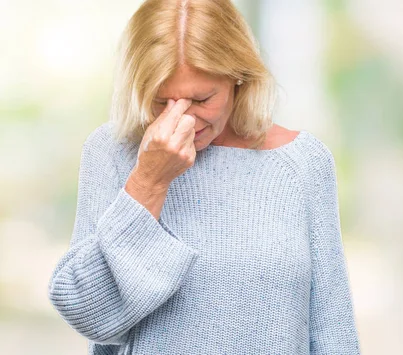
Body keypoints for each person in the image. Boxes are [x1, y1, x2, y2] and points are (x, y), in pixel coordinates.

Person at [47, 0, 361, 354]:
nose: (183, 119)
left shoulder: (302, 163)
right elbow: (88, 314)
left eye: (201, 99)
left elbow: (333, 331)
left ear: (238, 79)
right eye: (161, 101)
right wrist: (149, 181)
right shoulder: (112, 152)